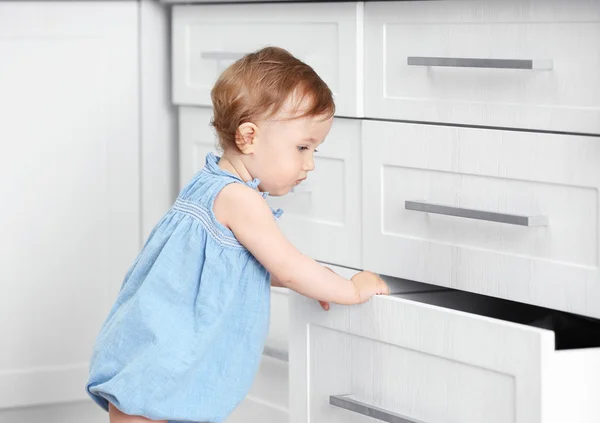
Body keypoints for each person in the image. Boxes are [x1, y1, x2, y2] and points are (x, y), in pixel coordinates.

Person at [86, 46, 389, 423]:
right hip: (167, 366)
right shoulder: (241, 200)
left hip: (151, 355)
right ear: (249, 136)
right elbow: (289, 266)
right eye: (303, 147)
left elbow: (246, 263)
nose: (309, 164)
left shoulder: (208, 182)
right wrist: (351, 289)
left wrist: (319, 282)